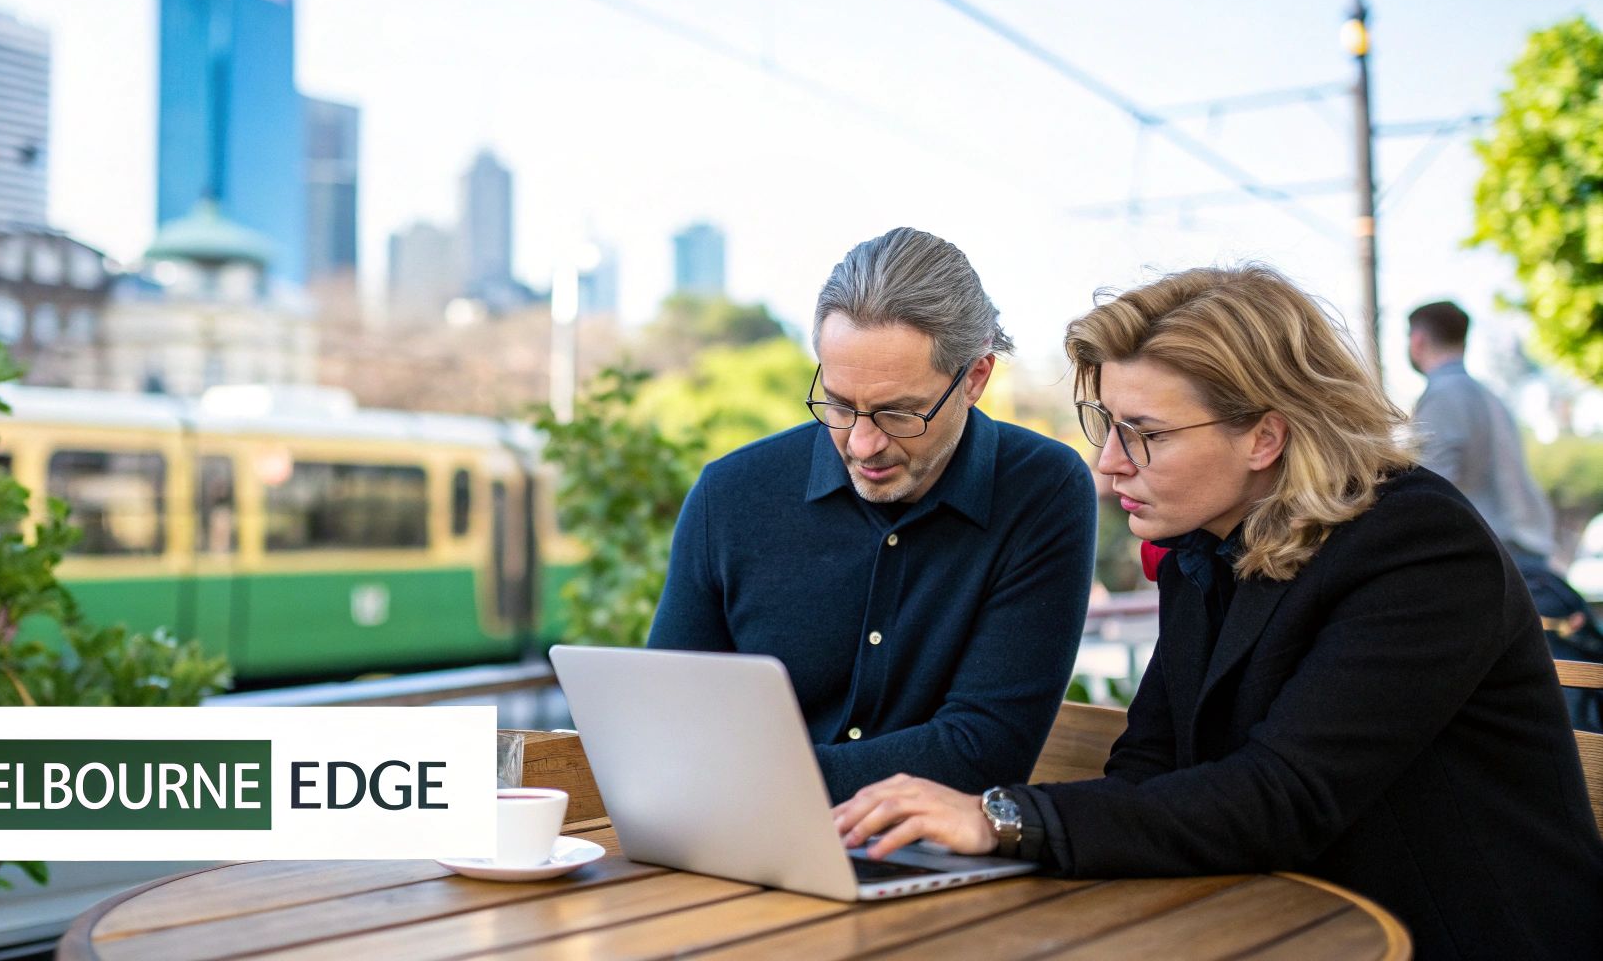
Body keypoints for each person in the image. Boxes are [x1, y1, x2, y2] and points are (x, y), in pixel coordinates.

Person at [833, 265, 1603, 959]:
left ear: (1266, 434)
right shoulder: (1209, 544)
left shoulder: (1418, 546)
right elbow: (1151, 766)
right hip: (1274, 921)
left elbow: (1285, 796)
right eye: (1107, 425)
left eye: (1145, 434)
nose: (1108, 462)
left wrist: (1000, 819)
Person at [648, 227, 1096, 802]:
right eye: (837, 404)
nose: (861, 444)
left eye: (899, 413)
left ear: (976, 378)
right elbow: (664, 722)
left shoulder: (1043, 489)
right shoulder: (730, 493)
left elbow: (982, 749)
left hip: (925, 863)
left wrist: (750, 782)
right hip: (738, 838)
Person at [1409, 300, 1603, 731]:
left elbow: (1427, 494)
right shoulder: (1490, 397)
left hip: (1494, 571)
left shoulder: (1443, 396)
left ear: (1418, 340)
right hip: (1529, 563)